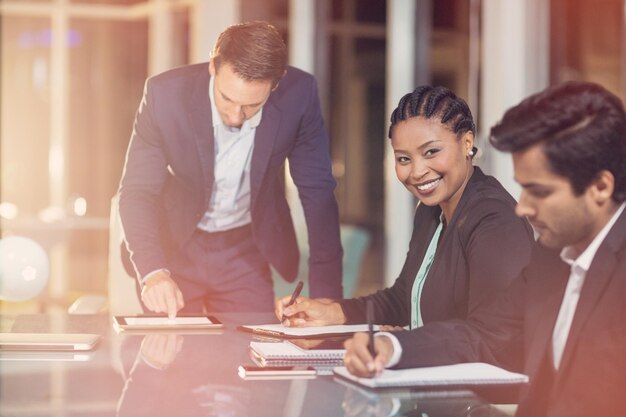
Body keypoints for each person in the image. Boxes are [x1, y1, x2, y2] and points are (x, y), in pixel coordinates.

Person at [344, 81, 626, 417]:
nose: (522, 208)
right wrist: (392, 347)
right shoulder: (552, 256)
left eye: (540, 192)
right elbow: (484, 334)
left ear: (600, 186)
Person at [118, 21, 342, 317]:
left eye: (252, 105)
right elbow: (137, 191)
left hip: (245, 250)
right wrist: (153, 271)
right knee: (172, 357)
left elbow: (318, 194)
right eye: (227, 99)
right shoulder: (165, 96)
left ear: (276, 84)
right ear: (213, 66)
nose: (236, 116)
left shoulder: (299, 95)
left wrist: (328, 303)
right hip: (176, 246)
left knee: (253, 352)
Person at [276, 86, 534, 341]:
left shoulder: (495, 221)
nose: (417, 171)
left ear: (467, 142)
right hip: (428, 378)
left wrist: (403, 345)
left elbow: (493, 338)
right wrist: (333, 312)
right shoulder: (430, 212)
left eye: (431, 152)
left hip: (472, 383)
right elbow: (403, 300)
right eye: (404, 159)